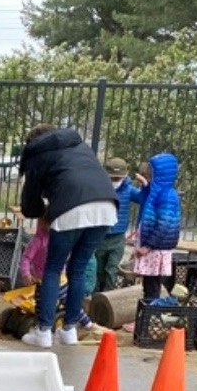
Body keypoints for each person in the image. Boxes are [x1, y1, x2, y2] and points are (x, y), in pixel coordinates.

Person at [17, 124, 117, 348]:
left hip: (72, 207)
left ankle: (44, 332)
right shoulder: (79, 145)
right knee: (78, 269)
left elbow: (30, 204)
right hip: (107, 206)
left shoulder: (37, 154)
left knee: (53, 268)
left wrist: (42, 212)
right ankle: (69, 330)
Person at [130, 152, 183, 301]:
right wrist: (146, 187)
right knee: (149, 284)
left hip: (155, 249)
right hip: (152, 248)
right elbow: (145, 202)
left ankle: (149, 314)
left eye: (149, 177)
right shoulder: (157, 192)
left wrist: (147, 246)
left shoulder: (167, 195)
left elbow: (164, 225)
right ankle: (148, 312)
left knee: (152, 286)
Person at [94, 155, 140, 291]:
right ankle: (95, 300)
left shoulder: (129, 190)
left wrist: (146, 187)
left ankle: (108, 297)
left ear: (124, 176)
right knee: (98, 270)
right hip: (100, 236)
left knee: (111, 269)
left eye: (118, 178)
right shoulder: (100, 188)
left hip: (118, 238)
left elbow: (143, 198)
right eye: (112, 177)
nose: (115, 180)